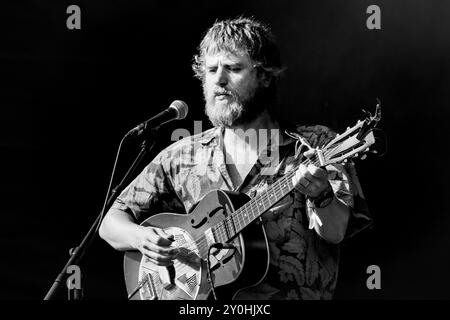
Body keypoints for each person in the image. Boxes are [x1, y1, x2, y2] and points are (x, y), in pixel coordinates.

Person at [99, 16, 372, 300]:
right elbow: (110, 222)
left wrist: (322, 195)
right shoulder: (183, 154)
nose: (219, 79)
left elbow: (336, 232)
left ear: (265, 76)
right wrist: (142, 239)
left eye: (233, 68)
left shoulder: (314, 146)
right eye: (211, 69)